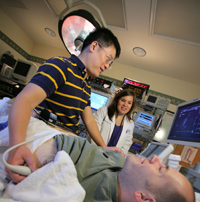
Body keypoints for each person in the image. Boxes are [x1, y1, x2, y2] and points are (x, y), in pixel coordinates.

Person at [0, 132, 195, 202]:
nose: (156, 159)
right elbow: (69, 142)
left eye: (160, 169)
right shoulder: (118, 160)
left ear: (144, 198)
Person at [6, 28, 125, 183]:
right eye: (108, 58)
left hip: (69, 144)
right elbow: (24, 100)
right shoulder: (61, 66)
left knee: (114, 166)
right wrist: (15, 147)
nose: (107, 65)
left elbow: (89, 121)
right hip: (52, 140)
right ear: (94, 46)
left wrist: (103, 146)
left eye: (111, 63)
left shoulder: (85, 86)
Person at [88, 88, 136, 154]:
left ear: (131, 106)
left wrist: (119, 156)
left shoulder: (130, 123)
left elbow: (127, 143)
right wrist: (100, 151)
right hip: (94, 152)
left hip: (112, 159)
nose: (125, 104)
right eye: (123, 100)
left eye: (129, 103)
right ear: (117, 100)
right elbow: (93, 132)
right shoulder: (104, 111)